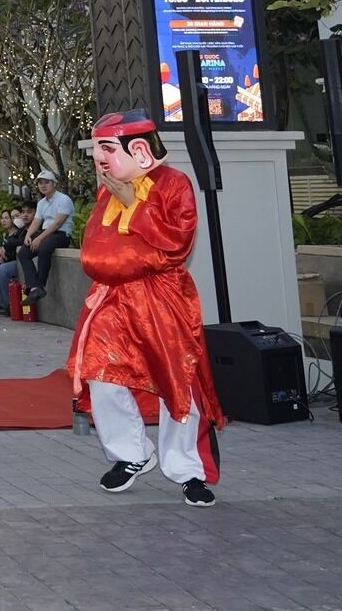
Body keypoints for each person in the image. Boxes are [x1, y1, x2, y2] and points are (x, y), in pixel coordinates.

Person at [68, 110, 223, 507]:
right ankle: (131, 452)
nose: (98, 159)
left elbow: (178, 242)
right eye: (96, 150)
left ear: (137, 148)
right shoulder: (108, 188)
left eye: (105, 149)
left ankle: (187, 470)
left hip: (161, 298)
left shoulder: (174, 184)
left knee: (177, 382)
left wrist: (134, 204)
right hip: (112, 297)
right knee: (100, 372)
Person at [17, 169, 75, 306]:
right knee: (23, 252)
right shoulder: (42, 203)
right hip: (46, 233)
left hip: (61, 234)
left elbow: (57, 224)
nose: (43, 185)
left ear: (54, 183)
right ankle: (35, 287)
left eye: (46, 182)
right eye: (40, 183)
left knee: (44, 247)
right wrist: (29, 235)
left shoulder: (63, 199)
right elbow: (36, 222)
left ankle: (40, 284)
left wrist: (39, 238)